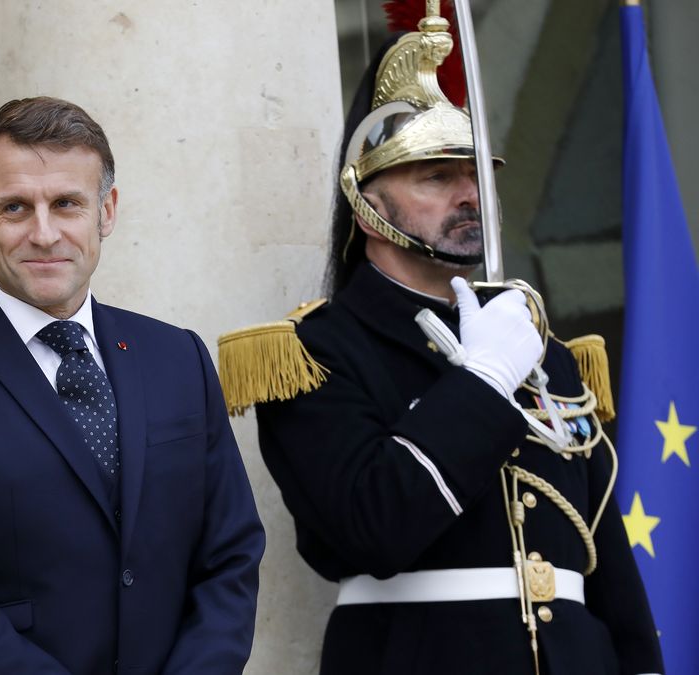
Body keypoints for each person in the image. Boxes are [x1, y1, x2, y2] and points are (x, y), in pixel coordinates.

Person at [218, 6, 662, 675]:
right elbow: (372, 526)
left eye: (475, 173)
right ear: (367, 203)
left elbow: (610, 571)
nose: (470, 195)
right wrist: (482, 380)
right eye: (436, 177)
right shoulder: (316, 354)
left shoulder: (545, 350)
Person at [0, 96, 265, 674]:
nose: (44, 234)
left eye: (67, 204)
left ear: (107, 211)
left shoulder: (178, 356)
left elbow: (230, 555)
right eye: (16, 208)